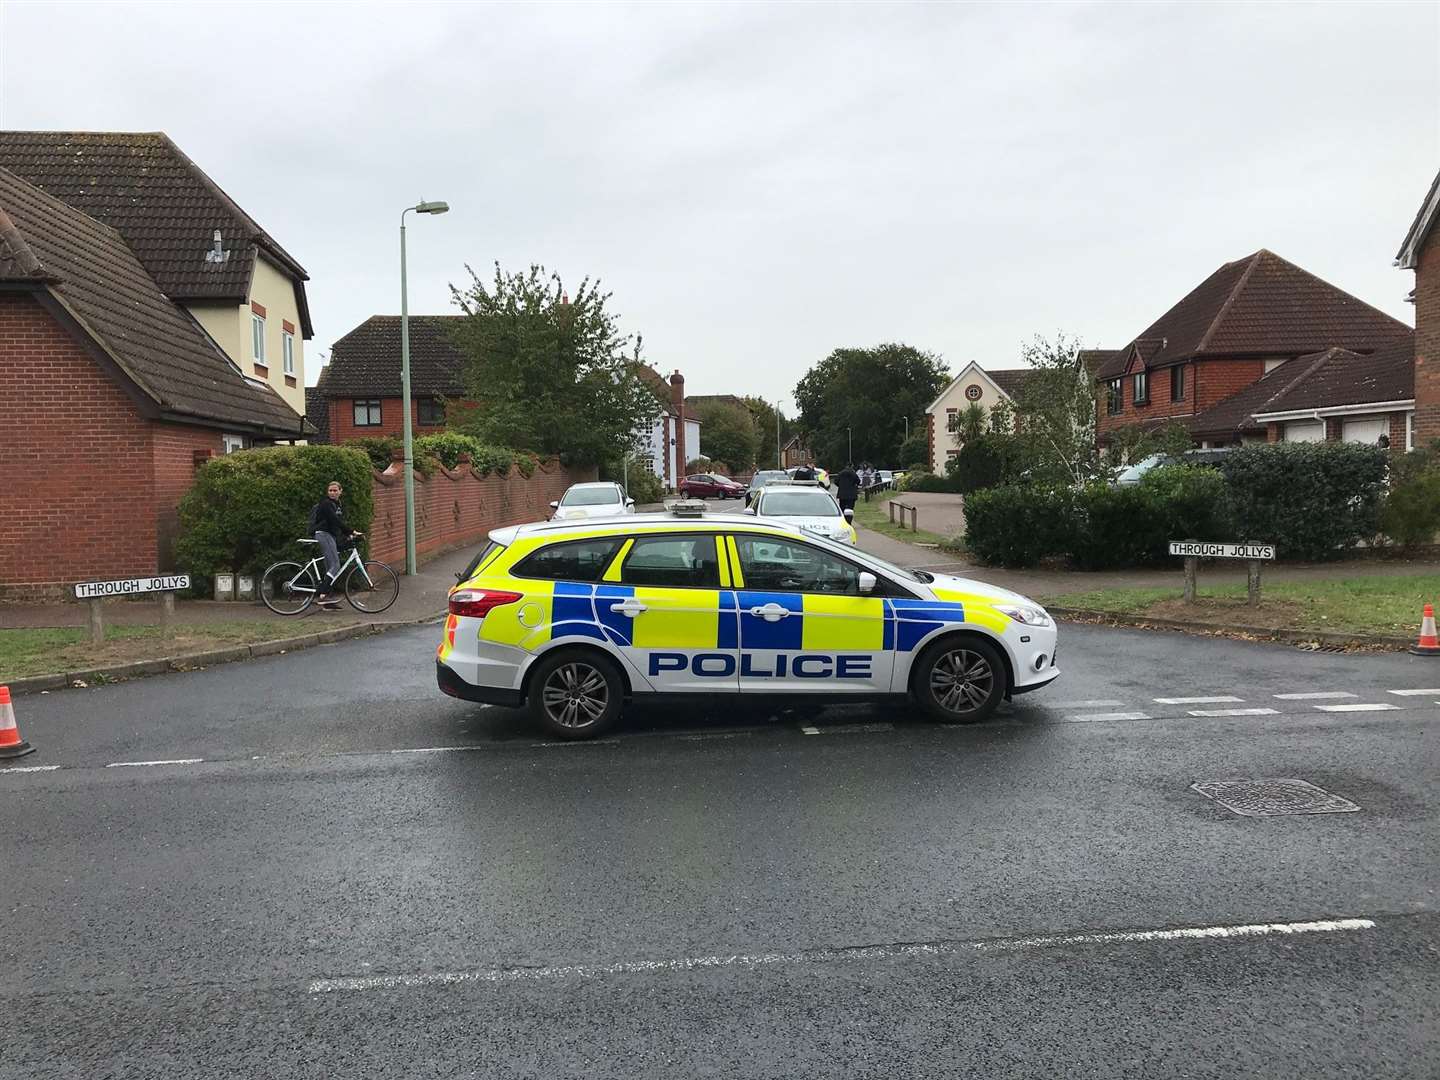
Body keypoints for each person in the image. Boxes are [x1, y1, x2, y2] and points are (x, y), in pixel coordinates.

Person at [309, 480, 363, 609]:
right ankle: (322, 594)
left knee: (330, 569)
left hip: (330, 535)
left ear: (340, 491)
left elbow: (337, 524)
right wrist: (352, 531)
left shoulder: (337, 504)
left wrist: (347, 535)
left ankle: (327, 602)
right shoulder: (326, 504)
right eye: (330, 490)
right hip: (324, 534)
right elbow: (334, 520)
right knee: (335, 565)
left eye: (335, 490)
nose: (332, 493)